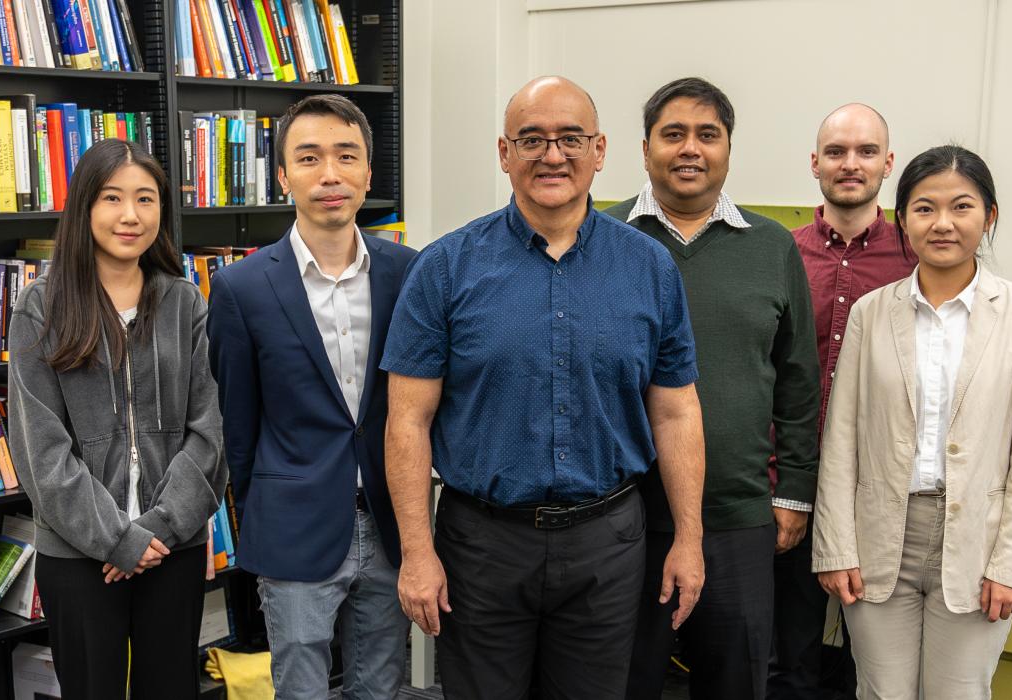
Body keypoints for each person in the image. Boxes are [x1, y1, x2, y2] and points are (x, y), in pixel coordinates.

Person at [381, 75, 706, 700]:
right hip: (481, 544)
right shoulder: (445, 268)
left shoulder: (649, 267)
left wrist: (689, 540)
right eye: (531, 139)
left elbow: (676, 411)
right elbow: (407, 421)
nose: (552, 155)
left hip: (606, 541)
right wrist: (417, 553)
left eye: (570, 139)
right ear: (504, 153)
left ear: (601, 149)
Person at [813, 145, 1012, 699]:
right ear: (902, 219)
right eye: (924, 208)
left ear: (989, 216)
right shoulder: (871, 313)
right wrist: (836, 548)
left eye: (962, 207)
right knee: (880, 692)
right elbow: (842, 438)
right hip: (880, 540)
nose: (942, 223)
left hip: (977, 543)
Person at [604, 77, 820, 700]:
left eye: (708, 135)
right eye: (673, 135)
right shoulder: (602, 238)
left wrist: (794, 494)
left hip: (739, 517)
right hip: (623, 517)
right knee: (622, 683)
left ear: (729, 148)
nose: (690, 149)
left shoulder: (773, 248)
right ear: (645, 150)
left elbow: (799, 382)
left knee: (736, 683)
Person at [206, 94, 416, 699]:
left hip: (387, 521)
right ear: (283, 176)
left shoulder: (409, 272)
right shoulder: (241, 288)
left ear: (368, 174)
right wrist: (267, 507)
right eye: (309, 158)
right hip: (292, 527)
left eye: (346, 157)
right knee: (299, 690)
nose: (330, 174)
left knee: (381, 686)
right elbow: (236, 429)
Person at [7, 138, 227, 698]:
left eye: (146, 199)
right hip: (79, 556)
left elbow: (211, 430)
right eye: (112, 198)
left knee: (172, 687)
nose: (130, 215)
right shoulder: (41, 305)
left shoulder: (185, 302)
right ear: (84, 208)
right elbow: (41, 450)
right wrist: (114, 539)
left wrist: (156, 530)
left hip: (171, 549)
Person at [770, 103, 916, 699]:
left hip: (881, 492)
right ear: (814, 164)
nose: (849, 164)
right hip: (789, 487)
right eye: (836, 152)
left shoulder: (918, 258)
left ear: (888, 162)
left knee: (876, 664)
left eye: (864, 152)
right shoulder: (778, 254)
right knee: (787, 657)